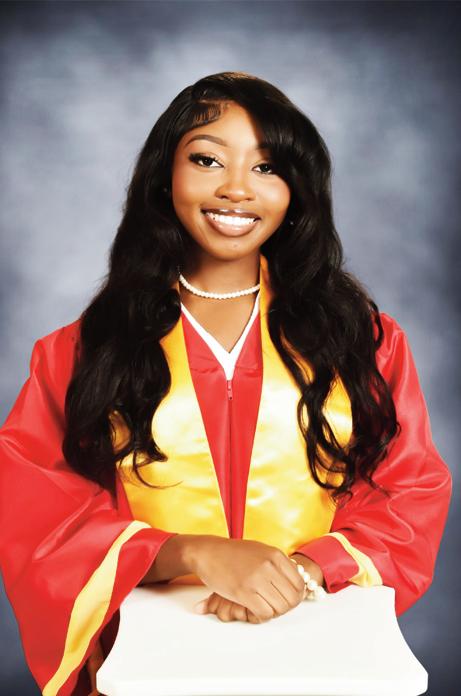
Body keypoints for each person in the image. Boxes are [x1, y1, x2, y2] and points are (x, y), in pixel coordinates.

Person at [0, 71, 452, 696]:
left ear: (297, 191)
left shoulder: (362, 342)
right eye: (208, 160)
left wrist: (306, 568)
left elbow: (409, 490)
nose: (236, 189)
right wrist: (189, 552)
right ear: (165, 175)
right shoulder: (82, 351)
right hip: (154, 661)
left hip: (314, 649)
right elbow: (39, 513)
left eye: (267, 168)